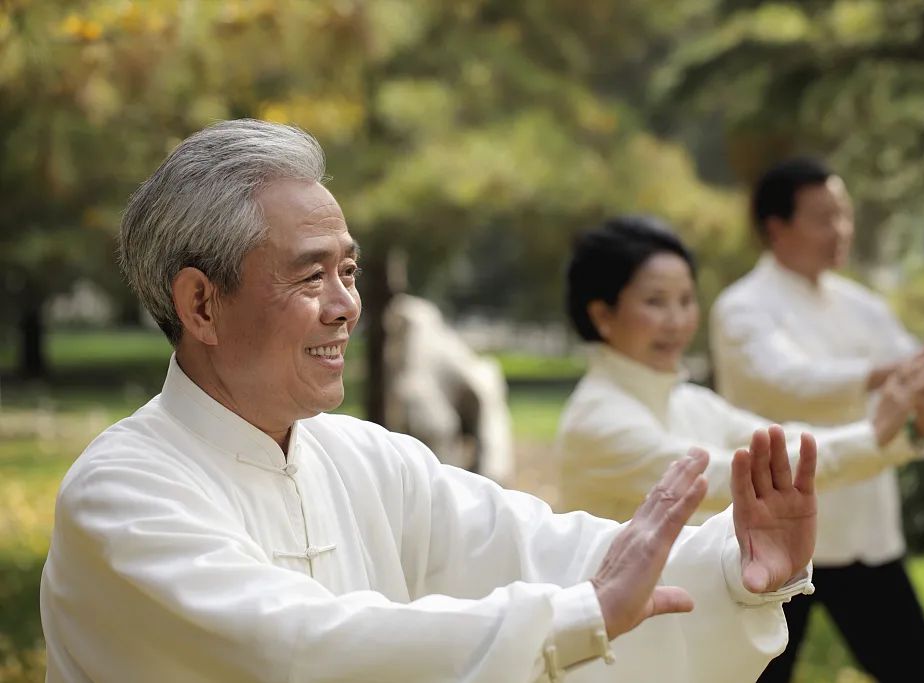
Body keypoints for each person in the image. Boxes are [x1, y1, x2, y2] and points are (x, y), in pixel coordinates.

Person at [40, 120, 819, 683]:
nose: (346, 305)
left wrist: (734, 564)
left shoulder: (363, 456)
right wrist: (574, 617)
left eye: (348, 272)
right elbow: (297, 647)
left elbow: (536, 546)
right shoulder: (124, 494)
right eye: (312, 276)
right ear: (201, 305)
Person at [710, 157, 924, 683]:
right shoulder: (742, 307)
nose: (840, 230)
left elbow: (922, 395)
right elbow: (788, 379)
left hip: (863, 531)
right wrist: (895, 371)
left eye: (844, 215)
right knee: (756, 676)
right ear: (776, 227)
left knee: (916, 672)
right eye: (822, 217)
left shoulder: (863, 306)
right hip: (772, 536)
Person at [556, 215, 924, 526]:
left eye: (685, 300)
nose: (678, 321)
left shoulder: (691, 403)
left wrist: (909, 429)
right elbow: (730, 478)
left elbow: (784, 442)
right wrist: (877, 431)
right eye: (656, 302)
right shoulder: (598, 420)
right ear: (603, 316)